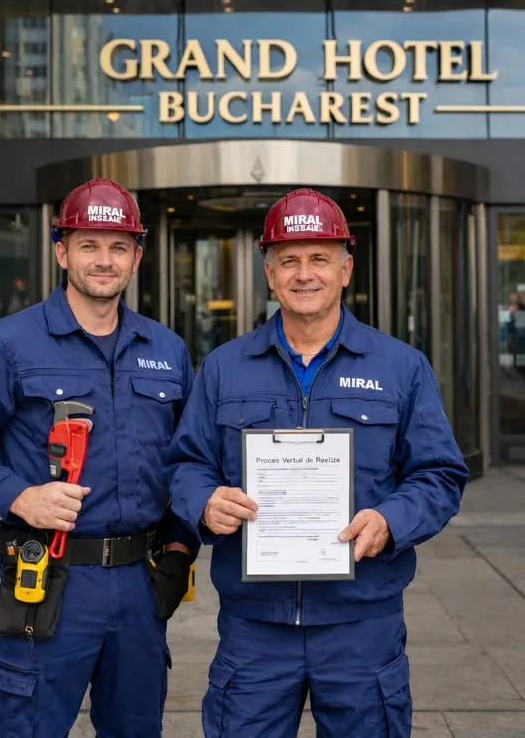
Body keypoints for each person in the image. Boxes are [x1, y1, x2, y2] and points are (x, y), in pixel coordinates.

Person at [169, 188, 469, 738]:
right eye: (289, 260)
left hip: (362, 623)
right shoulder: (223, 367)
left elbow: (439, 474)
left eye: (319, 259)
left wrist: (391, 520)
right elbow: (186, 463)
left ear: (346, 268)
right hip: (255, 626)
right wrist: (204, 501)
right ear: (269, 273)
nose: (304, 274)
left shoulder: (401, 367)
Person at [0, 178, 198, 737]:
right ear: (62, 251)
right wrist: (20, 495)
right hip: (46, 584)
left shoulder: (167, 350)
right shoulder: (12, 344)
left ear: (137, 255)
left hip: (140, 584)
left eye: (117, 246)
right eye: (89, 245)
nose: (103, 260)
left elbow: (191, 461)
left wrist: (180, 551)